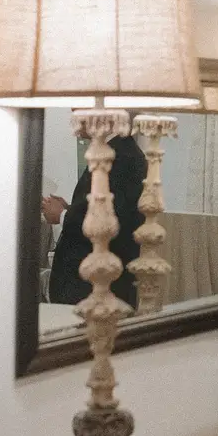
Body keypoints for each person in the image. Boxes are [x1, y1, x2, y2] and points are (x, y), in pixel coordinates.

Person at [44, 132, 147, 309]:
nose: (73, 114)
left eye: (78, 106)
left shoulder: (123, 157)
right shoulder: (113, 151)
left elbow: (114, 223)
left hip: (96, 292)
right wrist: (71, 209)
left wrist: (61, 216)